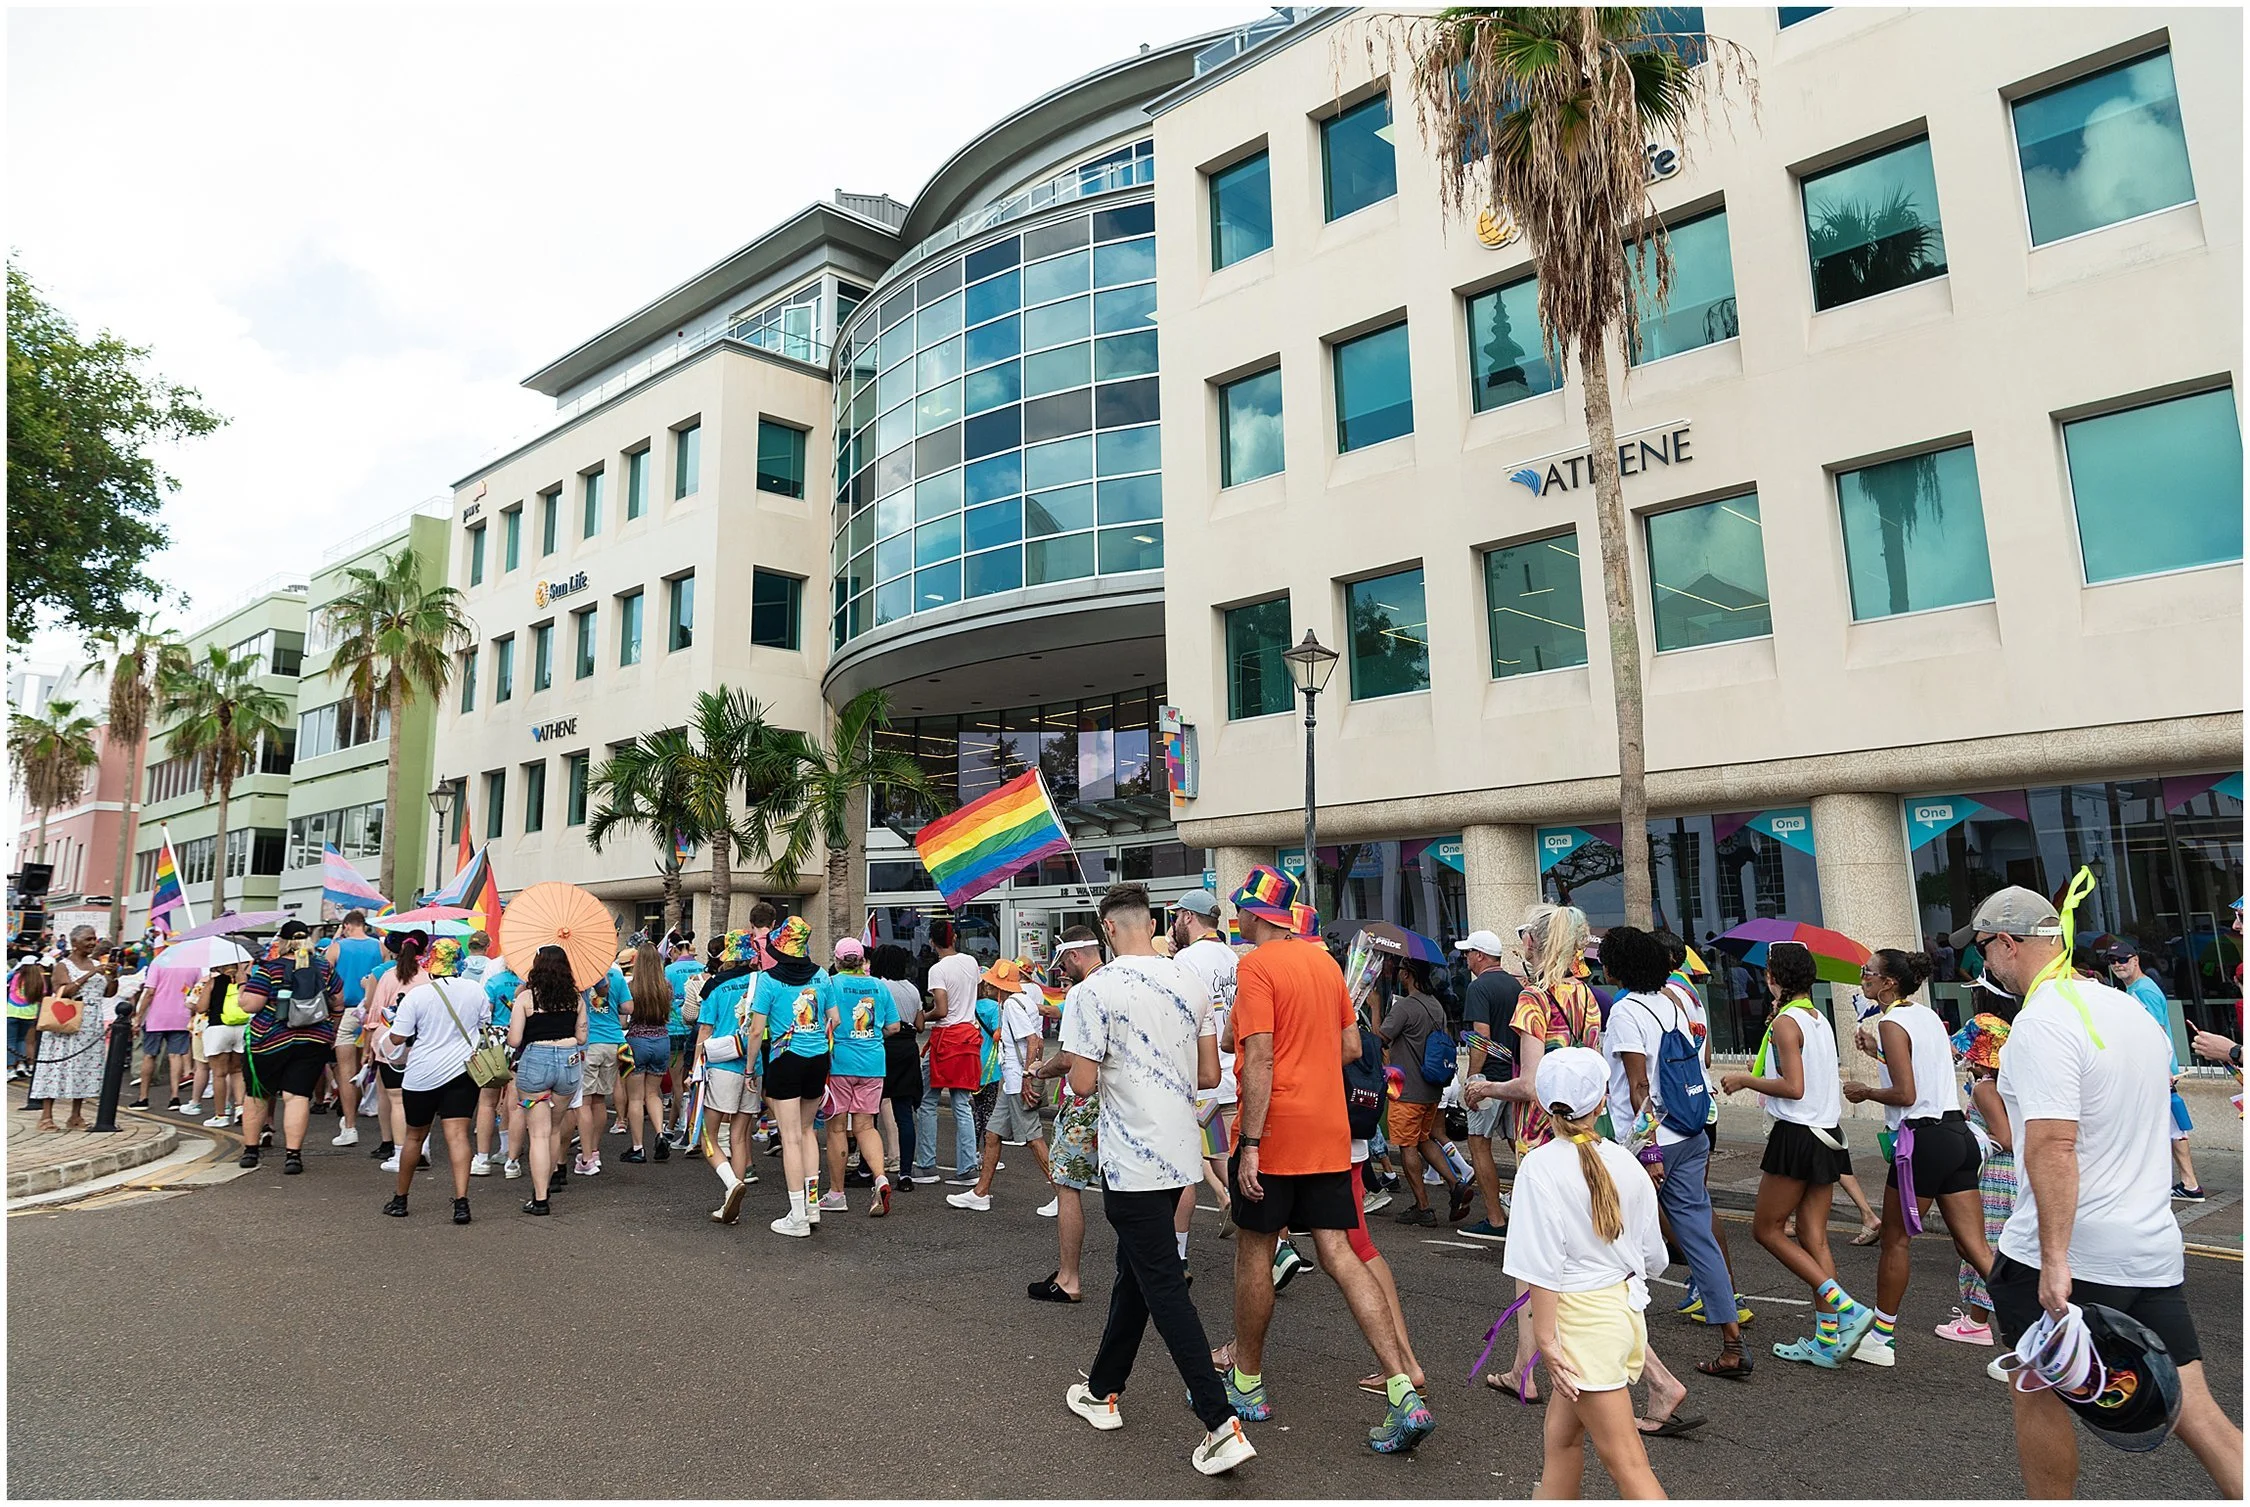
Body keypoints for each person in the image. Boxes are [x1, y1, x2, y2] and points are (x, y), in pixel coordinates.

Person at [1962, 886, 2242, 1497]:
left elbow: (2054, 1144)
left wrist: (2056, 1262)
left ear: (2008, 943)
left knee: (2038, 1395)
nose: (1986, 965)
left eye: (1985, 949)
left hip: (2062, 1253)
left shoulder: (2039, 1022)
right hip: (2149, 1248)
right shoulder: (2129, 1011)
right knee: (2202, 1417)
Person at [1224, 864, 1434, 1454]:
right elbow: (1348, 1045)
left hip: (1276, 1130)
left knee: (1255, 1251)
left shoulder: (1256, 966)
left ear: (1254, 914)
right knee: (1339, 1251)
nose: (1235, 917)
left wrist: (1253, 1145)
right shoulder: (1324, 963)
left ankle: (1247, 1384)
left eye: (1239, 908)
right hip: (1328, 1129)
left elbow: (1259, 1059)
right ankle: (1403, 1390)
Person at [1057, 883, 1253, 1479]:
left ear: (1108, 931)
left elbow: (1084, 1085)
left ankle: (1220, 1424)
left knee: (1162, 1284)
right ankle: (1102, 1390)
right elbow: (1207, 1072)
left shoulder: (1093, 992)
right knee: (1137, 1276)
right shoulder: (1190, 981)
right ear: (1150, 921)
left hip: (1130, 1160)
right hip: (1179, 1155)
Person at [1504, 1047, 1669, 1502]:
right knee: (1561, 1439)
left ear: (1542, 1104)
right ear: (1601, 1102)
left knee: (1629, 1466)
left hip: (1580, 1328)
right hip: (1618, 1314)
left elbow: (1539, 1266)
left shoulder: (1539, 1167)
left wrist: (1547, 1343)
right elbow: (1653, 1258)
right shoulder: (1626, 1164)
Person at [1717, 941, 1879, 1369]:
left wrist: (1744, 1081)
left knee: (1766, 1230)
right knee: (1813, 1237)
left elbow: (1794, 1087)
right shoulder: (1817, 1018)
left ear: (1775, 978)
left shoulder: (1788, 1022)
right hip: (1827, 1133)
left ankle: (1845, 1307)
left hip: (1797, 1134)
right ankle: (1828, 1338)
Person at [1602, 925, 1749, 1388]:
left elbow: (1639, 1085)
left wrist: (1645, 1149)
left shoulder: (1626, 1011)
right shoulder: (1673, 1001)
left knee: (1615, 1239)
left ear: (1618, 967)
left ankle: (1618, 1344)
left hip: (1652, 1141)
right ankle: (1731, 1343)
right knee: (1698, 1235)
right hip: (1690, 1130)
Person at [1464, 902, 1600, 1401]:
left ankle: (1529, 1367)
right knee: (1572, 1254)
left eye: (1524, 936)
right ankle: (1525, 1366)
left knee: (1531, 1256)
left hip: (1539, 1140)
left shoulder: (1533, 999)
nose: (1520, 944)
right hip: (1582, 1132)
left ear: (1537, 945)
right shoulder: (1585, 996)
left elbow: (1531, 1083)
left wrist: (1484, 1088)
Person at [1839, 947, 1994, 1370]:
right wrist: (1876, 1053)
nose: (1862, 977)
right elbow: (1922, 1071)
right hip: (1956, 1136)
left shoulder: (1891, 1021)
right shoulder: (1924, 1016)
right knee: (1976, 1247)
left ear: (1889, 983)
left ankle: (1882, 1338)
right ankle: (2036, 1335)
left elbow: (1906, 1094)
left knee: (1895, 1239)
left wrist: (1864, 1091)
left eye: (1868, 972)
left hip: (1922, 1141)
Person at [380, 939, 491, 1223]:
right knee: (457, 1136)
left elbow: (398, 1038)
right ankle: (462, 1203)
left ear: (429, 964)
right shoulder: (476, 991)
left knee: (414, 1137)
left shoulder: (418, 996)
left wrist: (389, 1028)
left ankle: (400, 1199)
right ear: (459, 963)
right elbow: (483, 1025)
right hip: (463, 1073)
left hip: (422, 1075)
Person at [1029, 927, 1105, 1303]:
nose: (1060, 973)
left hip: (1085, 1102)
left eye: (1061, 964)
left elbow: (1070, 1058)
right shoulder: (1119, 980)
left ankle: (1069, 1277)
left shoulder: (1082, 992)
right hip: (1123, 1099)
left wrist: (1039, 1071)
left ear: (1075, 957)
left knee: (1067, 1186)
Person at [1938, 1011, 2015, 1377]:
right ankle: (1977, 1318)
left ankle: (1979, 1322)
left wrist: (1973, 1139)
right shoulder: (2004, 1084)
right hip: (2009, 1176)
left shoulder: (1985, 1088)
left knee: (1982, 1244)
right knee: (1991, 1244)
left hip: (1996, 1177)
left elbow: (2005, 1136)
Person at [237, 920, 343, 1174]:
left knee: (257, 1094)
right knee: (297, 1096)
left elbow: (250, 1005)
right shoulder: (322, 967)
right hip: (313, 1040)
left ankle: (251, 1151)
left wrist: (242, 984)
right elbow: (338, 999)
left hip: (269, 1040)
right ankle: (293, 1156)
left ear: (282, 941)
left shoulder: (270, 968)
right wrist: (333, 1028)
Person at [2102, 941, 2206, 1202]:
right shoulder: (2135, 989)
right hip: (2155, 1070)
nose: (2117, 965)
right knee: (2170, 1127)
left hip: (2156, 1071)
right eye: (2113, 961)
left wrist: (2161, 1070)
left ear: (2135, 960)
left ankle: (2186, 1183)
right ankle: (2186, 1183)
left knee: (2169, 1127)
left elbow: (2156, 1032)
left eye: (2122, 959)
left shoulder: (2144, 990)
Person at [948, 956, 1050, 1213]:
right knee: (993, 1134)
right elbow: (1036, 1040)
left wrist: (1027, 1075)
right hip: (1011, 1080)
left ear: (998, 985)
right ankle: (980, 1193)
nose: (988, 987)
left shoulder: (1013, 1005)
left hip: (1017, 1082)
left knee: (1033, 1138)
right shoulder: (1021, 1000)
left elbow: (1032, 1040)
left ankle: (1063, 1192)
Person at [1377, 956, 1468, 1227]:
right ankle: (1455, 1184)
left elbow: (1380, 1038)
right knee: (1424, 1140)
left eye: (1400, 970)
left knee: (1407, 1147)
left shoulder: (1404, 1007)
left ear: (1407, 974)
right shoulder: (1435, 1005)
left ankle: (1423, 1207)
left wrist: (1373, 1008)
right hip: (1431, 1089)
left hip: (1405, 1090)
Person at [752, 916, 829, 1237]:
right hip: (818, 1058)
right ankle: (812, 1208)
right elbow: (834, 1018)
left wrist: (748, 1069)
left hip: (785, 1059)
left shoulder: (768, 980)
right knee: (809, 1131)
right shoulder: (823, 975)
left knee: (790, 1136)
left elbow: (756, 1030)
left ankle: (797, 1215)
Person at [1171, 892, 1240, 1230]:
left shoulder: (1187, 959)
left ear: (1188, 917)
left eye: (1176, 916)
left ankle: (1273, 1237)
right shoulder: (1232, 956)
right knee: (1227, 1155)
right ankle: (1270, 1232)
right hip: (1230, 1074)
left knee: (1215, 1156)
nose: (1173, 924)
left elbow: (1181, 1021)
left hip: (1203, 1077)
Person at [818, 938, 897, 1216]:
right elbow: (894, 1026)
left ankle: (837, 1194)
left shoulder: (830, 984)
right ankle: (880, 1178)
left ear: (837, 961)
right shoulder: (879, 985)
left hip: (840, 1063)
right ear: (863, 960)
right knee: (866, 1126)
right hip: (873, 1063)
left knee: (837, 1129)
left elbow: (822, 1022)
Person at [506, 945, 586, 1215]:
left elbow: (515, 1039)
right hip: (568, 1063)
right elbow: (582, 1037)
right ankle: (550, 1179)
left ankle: (540, 1198)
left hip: (535, 1063)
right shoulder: (575, 998)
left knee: (538, 1133)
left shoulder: (527, 998)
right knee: (554, 1129)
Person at [1454, 929, 1518, 1241]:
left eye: (1468, 953)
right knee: (1517, 1144)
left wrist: (1473, 1079)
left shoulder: (1479, 988)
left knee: (1479, 1143)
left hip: (1490, 1076)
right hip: (1516, 1074)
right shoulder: (1515, 984)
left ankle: (1495, 1219)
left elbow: (1481, 1036)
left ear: (1480, 955)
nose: (1466, 958)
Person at [696, 931, 763, 1221]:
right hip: (752, 1064)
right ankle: (731, 1203)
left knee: (707, 1136)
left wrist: (694, 1068)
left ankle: (731, 1184)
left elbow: (704, 1030)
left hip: (721, 1065)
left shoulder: (715, 986)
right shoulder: (761, 982)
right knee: (739, 1136)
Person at [914, 919, 984, 1184]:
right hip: (968, 1038)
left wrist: (925, 1013)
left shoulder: (937, 969)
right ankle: (967, 1167)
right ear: (953, 939)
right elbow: (976, 993)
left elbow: (941, 1009)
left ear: (932, 942)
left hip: (945, 1041)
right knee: (962, 1104)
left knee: (928, 1101)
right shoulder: (969, 962)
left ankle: (926, 1164)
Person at [32, 930, 116, 1130]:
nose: (92, 942)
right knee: (56, 1067)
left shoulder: (98, 964)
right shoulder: (63, 965)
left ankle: (76, 1115)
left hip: (91, 1024)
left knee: (83, 1069)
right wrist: (91, 974)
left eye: (94, 939)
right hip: (66, 1022)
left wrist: (113, 976)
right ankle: (46, 1116)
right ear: (75, 943)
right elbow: (65, 990)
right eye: (88, 939)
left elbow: (109, 992)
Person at [364, 932, 429, 1174]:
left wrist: (368, 1045)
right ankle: (421, 1149)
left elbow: (375, 1012)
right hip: (419, 1042)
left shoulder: (388, 976)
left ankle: (400, 1152)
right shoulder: (427, 978)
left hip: (389, 1042)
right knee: (420, 1098)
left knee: (396, 1099)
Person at [324, 909, 383, 1148]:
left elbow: (324, 977)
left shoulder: (337, 947)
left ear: (347, 926)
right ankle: (371, 1112)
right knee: (366, 1067)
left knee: (346, 1071)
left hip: (346, 1011)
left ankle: (350, 1126)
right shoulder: (380, 947)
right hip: (372, 1012)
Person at [575, 949, 629, 1176]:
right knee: (599, 1100)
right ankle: (594, 1150)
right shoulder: (616, 976)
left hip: (589, 1043)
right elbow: (628, 1008)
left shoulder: (580, 977)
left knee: (583, 1102)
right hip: (613, 1041)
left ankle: (586, 1155)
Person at [621, 942, 673, 1164]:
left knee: (635, 1097)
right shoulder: (666, 987)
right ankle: (661, 1134)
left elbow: (624, 1019)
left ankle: (638, 1147)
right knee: (654, 1094)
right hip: (662, 1039)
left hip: (637, 1040)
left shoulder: (632, 987)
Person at [130, 956, 197, 1111]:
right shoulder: (193, 966)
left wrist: (139, 1016)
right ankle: (174, 1097)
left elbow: (150, 992)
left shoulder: (158, 963)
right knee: (176, 1055)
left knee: (149, 1055)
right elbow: (195, 990)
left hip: (157, 1016)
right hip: (181, 1016)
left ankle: (143, 1097)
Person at [475, 952, 521, 1176]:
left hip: (495, 1041)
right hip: (519, 1039)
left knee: (487, 1101)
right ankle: (511, 1159)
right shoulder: (527, 984)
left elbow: (485, 1015)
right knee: (514, 1102)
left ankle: (482, 1159)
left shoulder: (494, 982)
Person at [662, 938, 705, 1145]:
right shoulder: (702, 967)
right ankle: (678, 1126)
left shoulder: (669, 970)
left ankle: (683, 1125)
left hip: (674, 1028)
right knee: (694, 1079)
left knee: (679, 1082)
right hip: (698, 1028)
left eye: (671, 951)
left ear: (678, 950)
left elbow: (664, 998)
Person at [197, 962, 249, 1128]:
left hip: (218, 1029)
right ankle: (240, 1108)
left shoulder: (213, 982)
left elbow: (201, 1008)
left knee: (219, 1074)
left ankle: (221, 1116)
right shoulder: (246, 980)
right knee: (237, 1070)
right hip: (241, 1027)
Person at [7, 951, 42, 1079]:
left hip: (11, 1012)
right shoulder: (39, 980)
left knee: (10, 1041)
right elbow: (41, 996)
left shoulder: (16, 976)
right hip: (29, 1014)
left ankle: (10, 1069)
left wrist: (15, 969)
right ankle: (21, 1064)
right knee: (22, 1040)